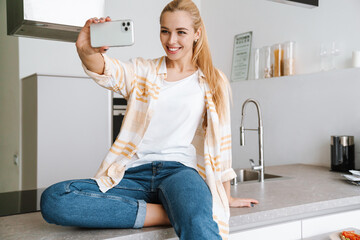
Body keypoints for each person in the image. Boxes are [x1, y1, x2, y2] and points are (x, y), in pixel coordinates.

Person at [40, 0, 259, 239]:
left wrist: (224, 196)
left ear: (197, 33)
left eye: (181, 32)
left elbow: (222, 146)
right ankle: (170, 212)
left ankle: (186, 209)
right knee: (55, 199)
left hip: (181, 174)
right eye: (165, 31)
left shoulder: (213, 80)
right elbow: (108, 71)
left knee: (197, 221)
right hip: (133, 174)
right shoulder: (144, 71)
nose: (171, 40)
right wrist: (86, 50)